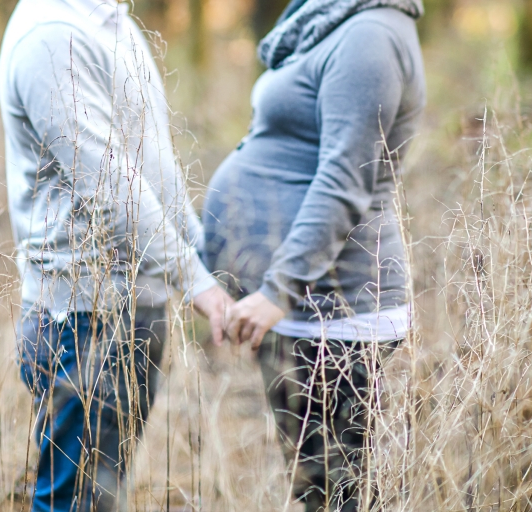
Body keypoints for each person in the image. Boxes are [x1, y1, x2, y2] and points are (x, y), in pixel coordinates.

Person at [0, 1, 233, 511]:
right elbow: (107, 182)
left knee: (101, 498)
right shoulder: (52, 35)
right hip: (82, 318)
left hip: (130, 308)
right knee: (77, 503)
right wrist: (193, 278)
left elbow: (151, 163)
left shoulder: (110, 21)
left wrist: (204, 258)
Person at [203, 0, 426, 510]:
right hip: (305, 307)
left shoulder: (369, 36)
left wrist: (278, 291)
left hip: (336, 309)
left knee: (334, 493)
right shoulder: (332, 23)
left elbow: (344, 181)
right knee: (316, 490)